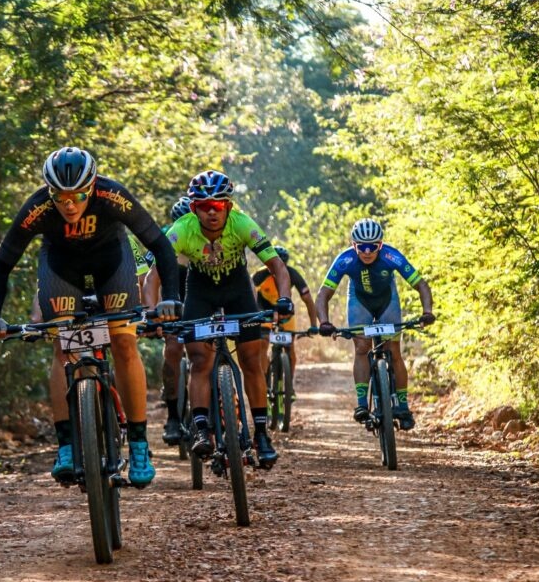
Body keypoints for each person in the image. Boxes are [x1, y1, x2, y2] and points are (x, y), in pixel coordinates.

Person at [0, 147, 182, 487]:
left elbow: (160, 245)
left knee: (122, 340)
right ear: (49, 192)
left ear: (93, 187)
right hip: (62, 268)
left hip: (111, 263)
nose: (69, 204)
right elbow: (2, 264)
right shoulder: (37, 207)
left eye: (78, 196)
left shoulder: (112, 194)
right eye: (60, 197)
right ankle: (66, 446)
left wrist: (172, 299)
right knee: (63, 346)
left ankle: (138, 444)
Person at [165, 170, 293, 467]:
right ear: (193, 208)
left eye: (219, 206)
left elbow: (277, 266)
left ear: (229, 207)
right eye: (204, 206)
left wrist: (284, 298)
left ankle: (261, 434)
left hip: (237, 290)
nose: (212, 211)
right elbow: (154, 275)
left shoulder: (243, 224)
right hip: (199, 292)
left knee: (251, 359)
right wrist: (154, 307)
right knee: (199, 360)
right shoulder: (182, 228)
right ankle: (200, 429)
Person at [314, 218, 435, 430]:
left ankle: (403, 406)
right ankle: (362, 404)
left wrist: (427, 312)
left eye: (373, 246)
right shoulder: (345, 260)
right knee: (362, 348)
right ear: (354, 245)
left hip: (387, 301)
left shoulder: (391, 256)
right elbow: (324, 294)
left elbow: (421, 285)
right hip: (360, 302)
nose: (367, 251)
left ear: (381, 245)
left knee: (394, 350)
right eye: (362, 247)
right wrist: (324, 322)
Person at [142, 197, 192, 446]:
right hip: (173, 296)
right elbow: (152, 280)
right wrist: (153, 315)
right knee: (173, 348)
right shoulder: (167, 238)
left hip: (201, 295)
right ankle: (173, 416)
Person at [251, 246, 320, 378]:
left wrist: (313, 325)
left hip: (286, 315)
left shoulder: (292, 274)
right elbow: (248, 293)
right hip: (265, 314)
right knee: (263, 343)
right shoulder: (260, 275)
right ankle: (264, 380)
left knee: (290, 348)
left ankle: (290, 384)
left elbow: (308, 300)